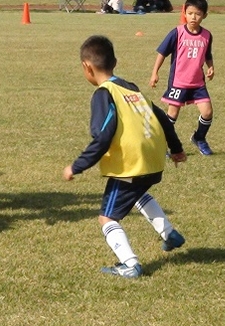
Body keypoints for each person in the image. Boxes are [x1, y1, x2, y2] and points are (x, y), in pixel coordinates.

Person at [63, 35, 186, 279]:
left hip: (133, 164)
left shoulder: (104, 94)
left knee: (106, 217)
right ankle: (169, 234)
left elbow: (102, 136)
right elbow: (163, 119)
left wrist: (77, 166)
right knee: (138, 194)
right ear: (115, 62)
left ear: (86, 67)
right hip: (153, 158)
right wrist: (177, 149)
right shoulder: (131, 88)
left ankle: (130, 264)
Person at [149, 0, 215, 155]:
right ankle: (163, 143)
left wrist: (211, 67)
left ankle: (199, 138)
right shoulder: (177, 33)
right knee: (172, 114)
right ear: (185, 13)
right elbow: (162, 53)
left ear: (204, 15)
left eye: (198, 14)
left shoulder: (206, 35)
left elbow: (207, 54)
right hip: (178, 82)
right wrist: (154, 72)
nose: (193, 17)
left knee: (207, 112)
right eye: (190, 13)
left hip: (197, 83)